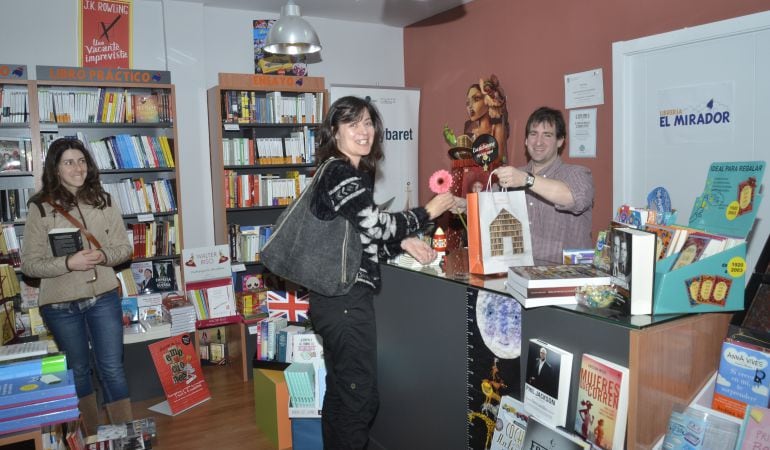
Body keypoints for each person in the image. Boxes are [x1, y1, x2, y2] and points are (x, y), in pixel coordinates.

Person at [307, 96, 455, 449]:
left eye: (368, 123)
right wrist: (427, 212)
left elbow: (361, 238)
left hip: (334, 300)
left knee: (343, 393)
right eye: (352, 123)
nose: (363, 131)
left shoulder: (346, 173)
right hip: (343, 303)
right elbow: (373, 224)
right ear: (334, 131)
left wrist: (401, 242)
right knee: (360, 400)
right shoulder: (339, 171)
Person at [21, 137, 133, 436]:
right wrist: (67, 263)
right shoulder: (40, 208)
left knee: (112, 368)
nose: (77, 167)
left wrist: (103, 255)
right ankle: (91, 435)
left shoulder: (104, 200)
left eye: (81, 160)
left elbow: (124, 248)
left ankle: (126, 436)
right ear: (56, 169)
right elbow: (29, 265)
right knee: (79, 370)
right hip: (60, 305)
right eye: (68, 162)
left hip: (104, 296)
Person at [492, 106, 594, 264]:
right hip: (518, 273)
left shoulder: (578, 174)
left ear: (560, 141)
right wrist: (463, 205)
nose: (538, 142)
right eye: (533, 134)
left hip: (567, 278)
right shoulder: (514, 175)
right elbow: (487, 206)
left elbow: (574, 198)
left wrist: (527, 180)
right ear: (526, 140)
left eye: (547, 135)